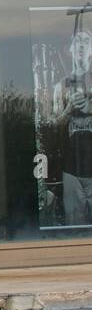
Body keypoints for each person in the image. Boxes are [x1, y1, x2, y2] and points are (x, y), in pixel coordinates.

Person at [58, 30, 92, 227]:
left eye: (87, 41)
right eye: (77, 41)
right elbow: (51, 126)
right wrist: (68, 110)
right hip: (71, 170)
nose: (81, 45)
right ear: (70, 49)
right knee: (76, 229)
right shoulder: (61, 85)